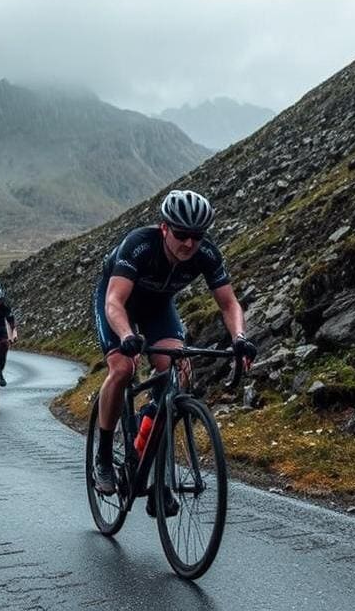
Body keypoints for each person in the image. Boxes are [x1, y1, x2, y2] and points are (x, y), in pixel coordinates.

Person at [91, 189, 257, 514]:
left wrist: (239, 338)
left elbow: (228, 302)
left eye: (197, 236)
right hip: (118, 301)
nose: (189, 244)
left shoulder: (205, 253)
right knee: (123, 369)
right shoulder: (139, 245)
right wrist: (127, 336)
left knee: (179, 374)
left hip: (158, 307)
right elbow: (114, 302)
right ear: (164, 227)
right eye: (181, 234)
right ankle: (105, 456)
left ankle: (155, 466)